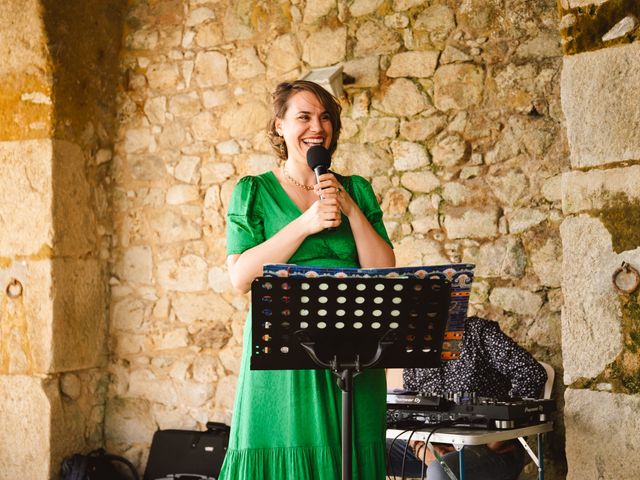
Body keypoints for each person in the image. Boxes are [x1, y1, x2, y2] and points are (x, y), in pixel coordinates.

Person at [218, 80, 395, 480]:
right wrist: (305, 224)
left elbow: (382, 269)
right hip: (285, 365)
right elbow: (241, 276)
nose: (318, 127)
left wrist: (351, 210)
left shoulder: (356, 190)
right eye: (304, 116)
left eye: (325, 117)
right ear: (279, 126)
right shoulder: (254, 191)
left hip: (357, 357)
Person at [386, 316, 547, 480]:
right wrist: (423, 451)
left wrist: (498, 438)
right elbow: (411, 412)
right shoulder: (414, 348)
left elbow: (532, 374)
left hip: (492, 449)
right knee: (365, 452)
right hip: (433, 447)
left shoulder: (478, 332)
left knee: (441, 471)